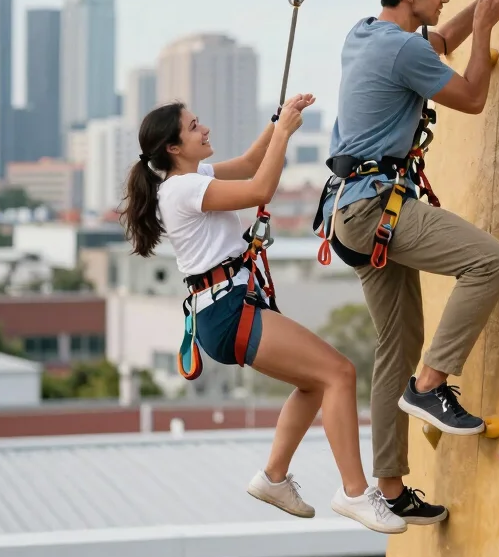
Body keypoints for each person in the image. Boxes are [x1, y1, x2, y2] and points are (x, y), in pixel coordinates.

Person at [121, 95, 408, 534]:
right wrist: (288, 133)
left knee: (314, 383)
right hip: (228, 309)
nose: (205, 130)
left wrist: (277, 126)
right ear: (174, 148)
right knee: (339, 373)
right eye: (195, 126)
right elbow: (260, 189)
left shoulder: (189, 178)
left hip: (226, 310)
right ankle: (354, 492)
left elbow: (254, 162)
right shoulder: (183, 189)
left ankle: (274, 477)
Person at [321, 0, 499, 516]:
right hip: (377, 206)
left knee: (395, 346)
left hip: (350, 213)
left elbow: (439, 41)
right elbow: (475, 96)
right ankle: (430, 386)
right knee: (491, 262)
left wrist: (485, 3)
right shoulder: (401, 52)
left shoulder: (365, 35)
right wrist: (485, 29)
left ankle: (390, 491)